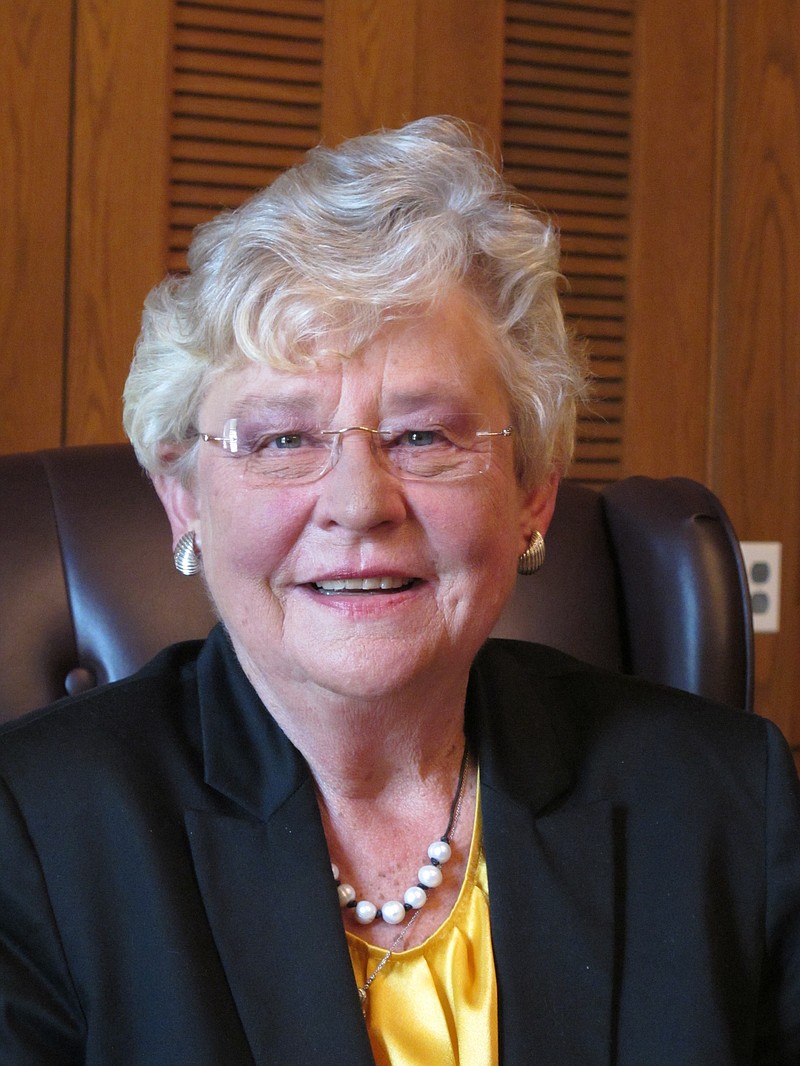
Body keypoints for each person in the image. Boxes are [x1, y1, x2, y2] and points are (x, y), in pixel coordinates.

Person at [0, 116, 798, 1066]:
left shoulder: (725, 802)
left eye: (423, 436)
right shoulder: (30, 833)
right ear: (185, 500)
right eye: (283, 439)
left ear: (533, 490)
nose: (357, 504)